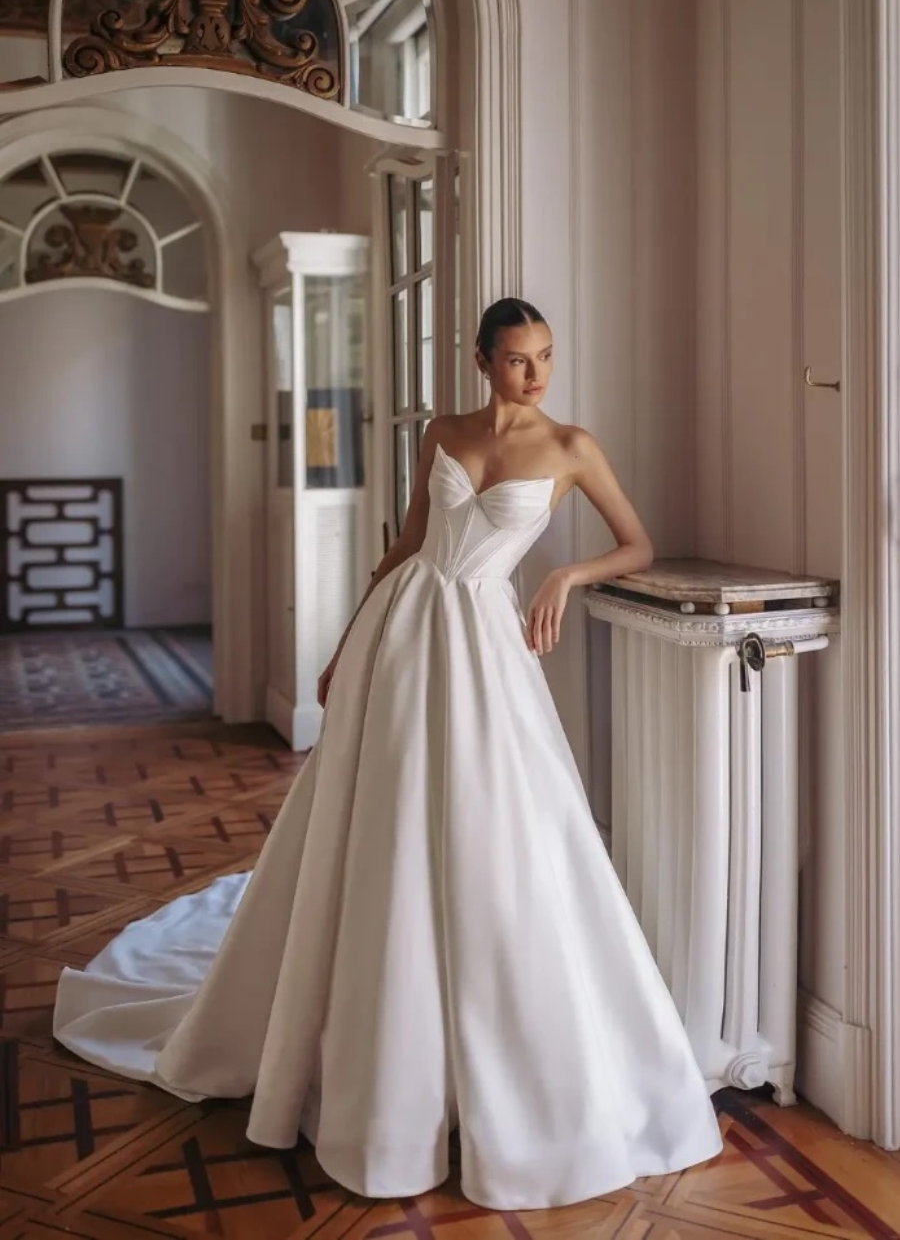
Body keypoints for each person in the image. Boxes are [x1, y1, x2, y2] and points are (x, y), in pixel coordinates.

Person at [54, 297, 723, 1211]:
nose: (536, 375)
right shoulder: (443, 431)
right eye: (518, 359)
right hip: (401, 633)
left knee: (498, 830)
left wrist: (563, 573)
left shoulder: (572, 446)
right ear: (483, 359)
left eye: (547, 357)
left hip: (487, 644)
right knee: (384, 823)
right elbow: (409, 542)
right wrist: (340, 645)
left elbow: (635, 542)